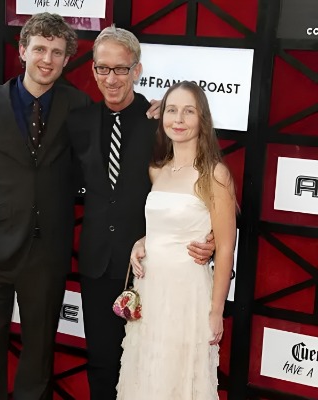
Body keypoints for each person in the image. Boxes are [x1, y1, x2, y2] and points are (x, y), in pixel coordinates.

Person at [67, 28, 215, 400]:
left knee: (152, 363)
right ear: (94, 71)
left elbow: (204, 183)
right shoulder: (79, 122)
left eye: (121, 69)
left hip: (154, 266)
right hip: (98, 263)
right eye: (103, 69)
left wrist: (210, 234)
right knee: (101, 362)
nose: (111, 78)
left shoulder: (161, 124)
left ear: (137, 70)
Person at [0, 13, 92, 400]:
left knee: (38, 361)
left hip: (46, 254)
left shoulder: (80, 106)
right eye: (41, 48)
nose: (47, 58)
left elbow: (97, 167)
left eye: (57, 52)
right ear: (22, 50)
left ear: (66, 60)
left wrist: (155, 110)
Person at [116, 80, 237, 399]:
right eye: (171, 110)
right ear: (162, 117)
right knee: (148, 375)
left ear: (203, 119)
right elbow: (163, 224)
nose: (178, 119)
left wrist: (215, 311)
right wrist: (141, 241)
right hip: (151, 291)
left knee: (180, 381)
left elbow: (225, 248)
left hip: (189, 296)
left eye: (188, 111)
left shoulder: (215, 174)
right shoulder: (158, 170)